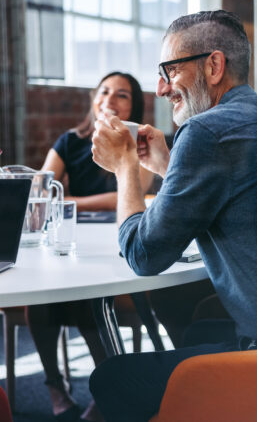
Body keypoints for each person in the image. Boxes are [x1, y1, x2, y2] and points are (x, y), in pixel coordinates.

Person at [89, 10, 257, 421]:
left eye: (170, 70)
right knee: (199, 328)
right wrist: (168, 164)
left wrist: (126, 166)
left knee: (111, 379)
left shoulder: (205, 133)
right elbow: (239, 195)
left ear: (214, 66)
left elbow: (143, 256)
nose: (161, 88)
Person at [26, 72, 153, 422]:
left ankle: (106, 389)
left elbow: (129, 195)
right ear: (94, 99)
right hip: (71, 242)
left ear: (135, 105)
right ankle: (54, 385)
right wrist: (47, 192)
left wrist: (71, 202)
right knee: (40, 296)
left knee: (88, 295)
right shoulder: (70, 141)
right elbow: (41, 189)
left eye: (122, 95)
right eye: (105, 91)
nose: (110, 98)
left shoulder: (140, 142)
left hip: (117, 244)